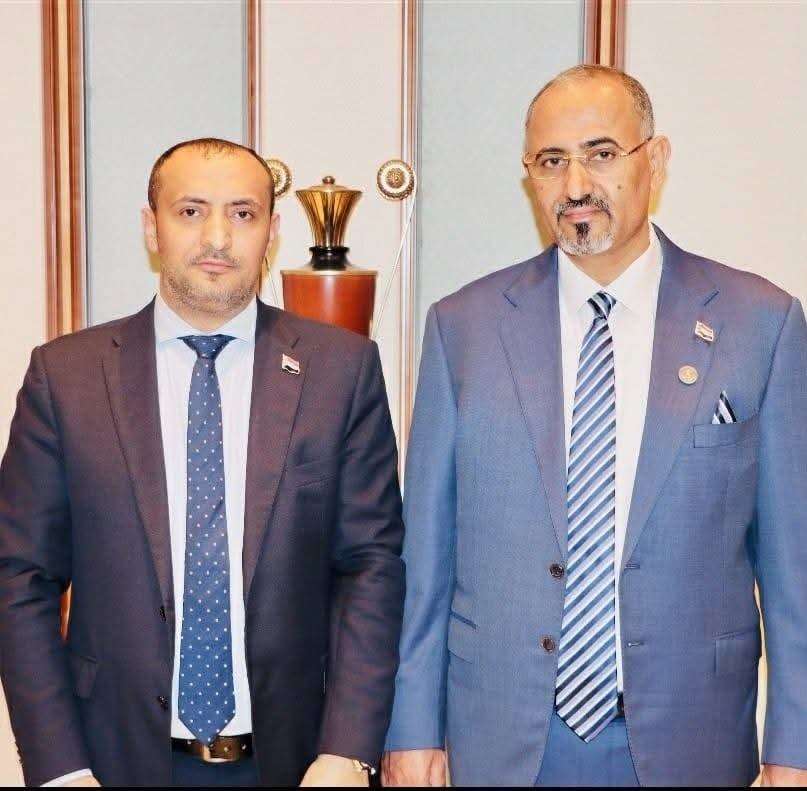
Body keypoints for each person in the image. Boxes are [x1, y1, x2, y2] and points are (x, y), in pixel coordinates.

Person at [383, 66, 807, 787]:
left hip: (690, 737)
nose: (575, 184)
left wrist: (793, 748)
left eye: (601, 153)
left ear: (655, 159)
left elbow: (794, 568)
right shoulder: (463, 327)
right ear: (530, 177)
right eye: (551, 161)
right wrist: (412, 728)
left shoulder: (758, 322)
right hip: (503, 739)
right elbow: (424, 560)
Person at [0, 137, 405, 787]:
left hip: (299, 763)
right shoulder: (66, 377)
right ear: (151, 227)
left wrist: (349, 750)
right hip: (110, 761)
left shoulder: (341, 371)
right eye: (191, 211)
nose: (217, 237)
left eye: (242, 214)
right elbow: (20, 579)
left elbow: (372, 567)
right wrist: (59, 769)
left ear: (271, 231)